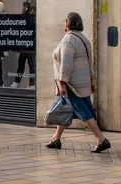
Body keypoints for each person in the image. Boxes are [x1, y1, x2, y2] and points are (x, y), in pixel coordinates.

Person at [46, 12, 111, 153]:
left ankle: (101, 139)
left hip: (72, 85)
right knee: (67, 109)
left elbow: (66, 64)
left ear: (68, 24)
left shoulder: (69, 40)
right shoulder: (83, 39)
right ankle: (56, 139)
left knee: (82, 112)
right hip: (82, 82)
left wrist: (62, 83)